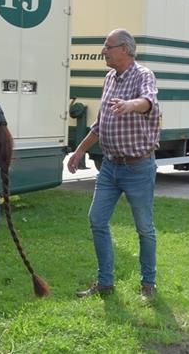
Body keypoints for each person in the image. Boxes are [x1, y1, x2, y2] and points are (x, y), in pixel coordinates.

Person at [67, 28, 161, 301]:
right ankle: (105, 283)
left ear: (125, 49)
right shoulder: (109, 78)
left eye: (108, 46)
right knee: (97, 220)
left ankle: (148, 285)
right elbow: (99, 125)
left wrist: (131, 105)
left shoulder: (143, 75)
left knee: (144, 227)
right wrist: (78, 152)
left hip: (138, 167)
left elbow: (148, 102)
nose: (103, 51)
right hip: (110, 167)